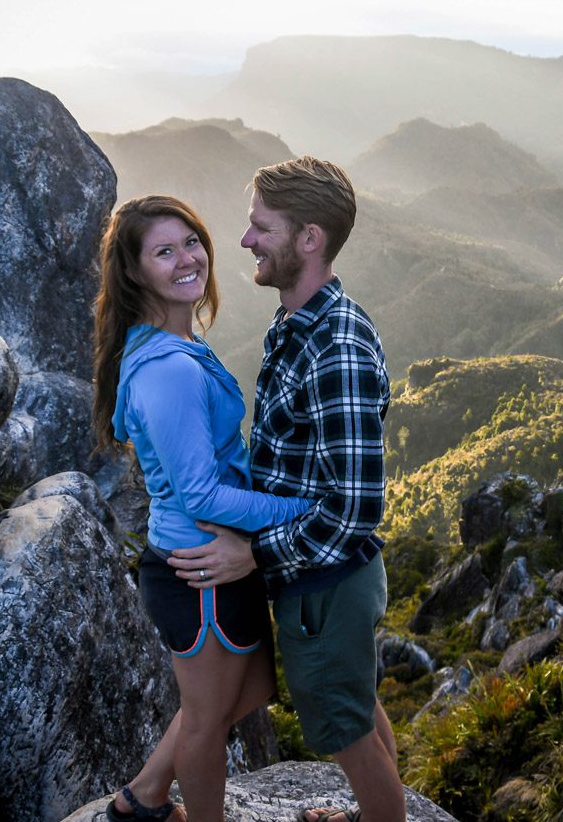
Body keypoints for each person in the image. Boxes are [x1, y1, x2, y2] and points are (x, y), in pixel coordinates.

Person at [168, 157, 404, 822]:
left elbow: (355, 510)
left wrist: (255, 553)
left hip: (326, 584)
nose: (244, 241)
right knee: (354, 703)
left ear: (308, 239)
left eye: (260, 227)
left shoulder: (337, 349)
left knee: (346, 731)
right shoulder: (297, 321)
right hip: (321, 580)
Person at [91, 194, 311, 822]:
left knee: (249, 689)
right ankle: (160, 807)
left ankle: (144, 795)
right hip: (203, 563)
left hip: (201, 552)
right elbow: (202, 495)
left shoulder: (170, 345)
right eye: (165, 251)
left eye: (191, 242)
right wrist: (296, 509)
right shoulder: (169, 372)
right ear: (134, 272)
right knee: (207, 725)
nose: (188, 259)